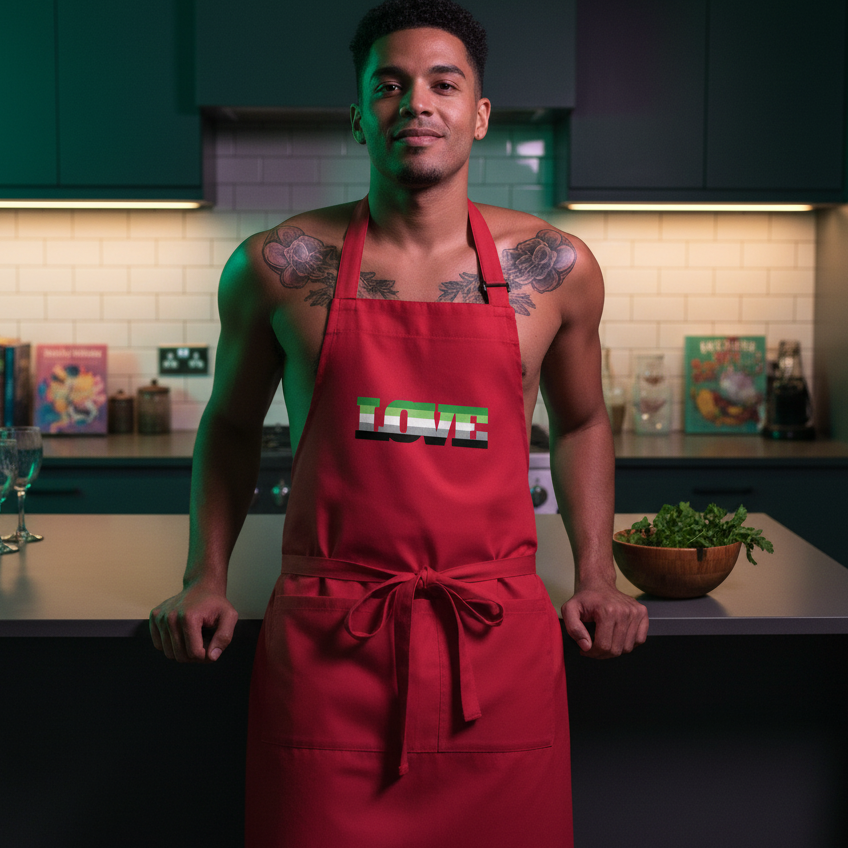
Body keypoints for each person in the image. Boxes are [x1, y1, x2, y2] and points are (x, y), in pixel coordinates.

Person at [150, 1, 648, 845]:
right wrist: (207, 574)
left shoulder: (555, 268)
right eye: (390, 84)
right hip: (330, 643)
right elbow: (230, 426)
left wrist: (596, 572)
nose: (417, 102)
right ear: (359, 116)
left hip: (494, 642)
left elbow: (583, 421)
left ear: (478, 115)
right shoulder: (279, 265)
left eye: (442, 83)